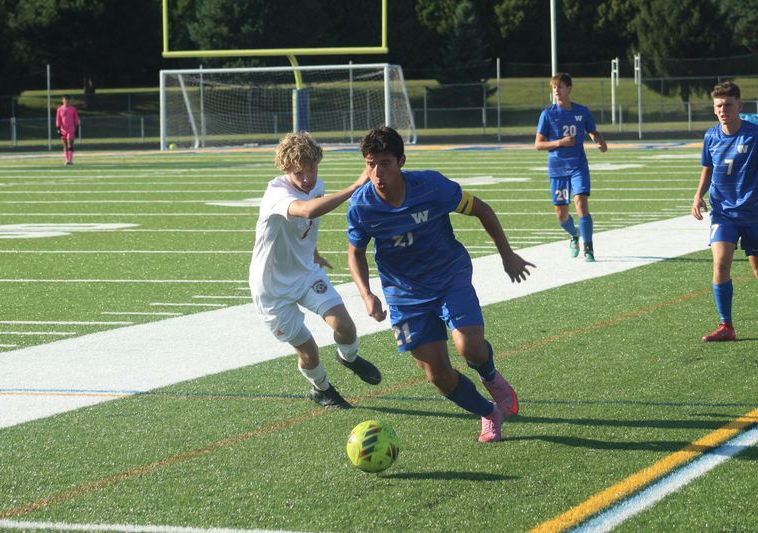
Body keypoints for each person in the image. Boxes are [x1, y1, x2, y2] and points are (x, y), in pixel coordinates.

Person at [346, 126, 534, 442]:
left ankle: (489, 375)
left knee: (469, 347)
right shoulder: (361, 206)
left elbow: (481, 209)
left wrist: (507, 255)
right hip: (404, 295)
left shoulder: (431, 186)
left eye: (385, 163)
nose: (377, 173)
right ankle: (489, 413)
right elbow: (355, 253)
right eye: (370, 164)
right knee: (438, 376)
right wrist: (366, 294)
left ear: (401, 161)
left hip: (449, 277)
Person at [249, 131, 381, 409]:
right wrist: (355, 186)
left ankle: (348, 358)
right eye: (299, 173)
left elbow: (304, 226)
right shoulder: (277, 193)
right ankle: (321, 389)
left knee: (345, 326)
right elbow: (308, 211)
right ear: (285, 169)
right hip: (272, 290)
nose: (308, 178)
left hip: (306, 272)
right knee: (308, 350)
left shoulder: (315, 184)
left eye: (312, 169)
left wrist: (313, 252)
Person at [692, 81, 758, 342]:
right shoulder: (711, 135)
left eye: (728, 105)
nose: (723, 110)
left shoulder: (754, 135)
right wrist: (698, 195)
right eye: (718, 106)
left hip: (753, 212)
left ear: (739, 106)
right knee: (720, 262)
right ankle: (726, 326)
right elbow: (707, 167)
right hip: (723, 212)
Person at [535, 72, 607, 262]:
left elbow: (592, 131)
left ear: (569, 88)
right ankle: (574, 234)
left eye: (559, 87)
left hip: (578, 166)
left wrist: (599, 141)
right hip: (557, 169)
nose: (556, 90)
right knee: (561, 215)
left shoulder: (581, 111)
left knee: (581, 203)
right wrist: (560, 142)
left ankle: (589, 248)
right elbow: (538, 144)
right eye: (554, 87)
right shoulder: (547, 114)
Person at [55, 95, 80, 165]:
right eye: (65, 99)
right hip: (63, 129)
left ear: (70, 100)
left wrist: (77, 130)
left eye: (68, 100)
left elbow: (76, 119)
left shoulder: (73, 109)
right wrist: (58, 129)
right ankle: (66, 160)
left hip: (71, 129)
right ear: (62, 100)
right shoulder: (59, 109)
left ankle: (70, 160)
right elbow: (58, 119)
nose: (67, 101)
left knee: (70, 144)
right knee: (65, 145)